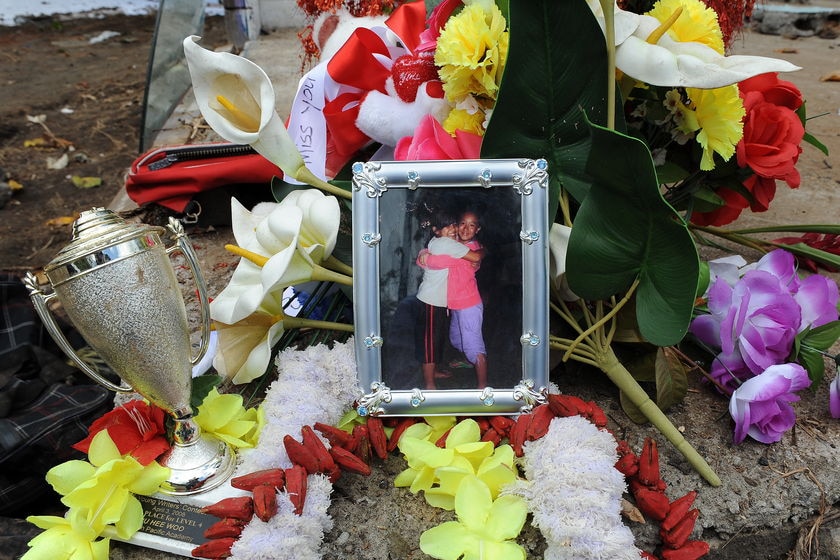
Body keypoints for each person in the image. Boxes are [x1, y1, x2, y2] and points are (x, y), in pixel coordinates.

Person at [419, 209, 487, 389]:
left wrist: (426, 259)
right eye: (461, 223)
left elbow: (442, 260)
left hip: (468, 304)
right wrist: (423, 256)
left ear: (477, 229)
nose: (464, 228)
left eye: (472, 225)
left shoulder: (462, 248)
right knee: (456, 338)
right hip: (453, 304)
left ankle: (482, 387)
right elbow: (435, 250)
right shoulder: (453, 243)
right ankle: (469, 360)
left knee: (473, 344)